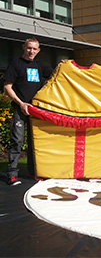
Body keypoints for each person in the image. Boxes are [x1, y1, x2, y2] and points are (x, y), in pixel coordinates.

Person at [3, 37, 54, 185]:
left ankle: (34, 172)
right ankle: (12, 175)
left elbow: (57, 74)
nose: (31, 51)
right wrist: (21, 103)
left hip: (36, 111)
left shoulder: (40, 66)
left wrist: (64, 64)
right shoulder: (16, 64)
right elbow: (7, 87)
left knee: (35, 142)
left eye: (34, 49)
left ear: (38, 50)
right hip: (20, 109)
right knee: (17, 142)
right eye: (29, 48)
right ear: (23, 47)